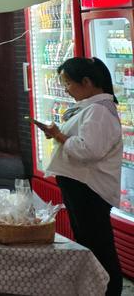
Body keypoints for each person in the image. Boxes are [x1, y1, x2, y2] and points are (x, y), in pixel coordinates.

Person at [42, 57, 123, 296]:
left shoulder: (98, 111)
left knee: (98, 246)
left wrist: (60, 136)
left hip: (90, 190)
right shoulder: (91, 108)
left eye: (68, 83)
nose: (66, 89)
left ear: (86, 82)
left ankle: (108, 290)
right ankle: (93, 288)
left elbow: (88, 150)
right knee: (89, 242)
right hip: (82, 187)